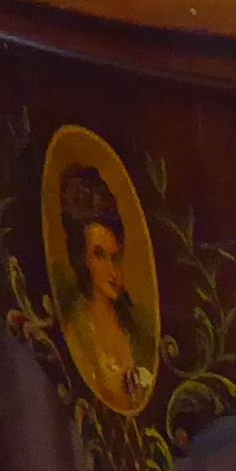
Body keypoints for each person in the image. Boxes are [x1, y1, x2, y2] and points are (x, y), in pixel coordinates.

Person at [57, 163, 154, 411]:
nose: (112, 271)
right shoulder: (75, 329)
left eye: (115, 257)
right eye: (99, 255)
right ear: (83, 260)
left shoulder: (136, 324)